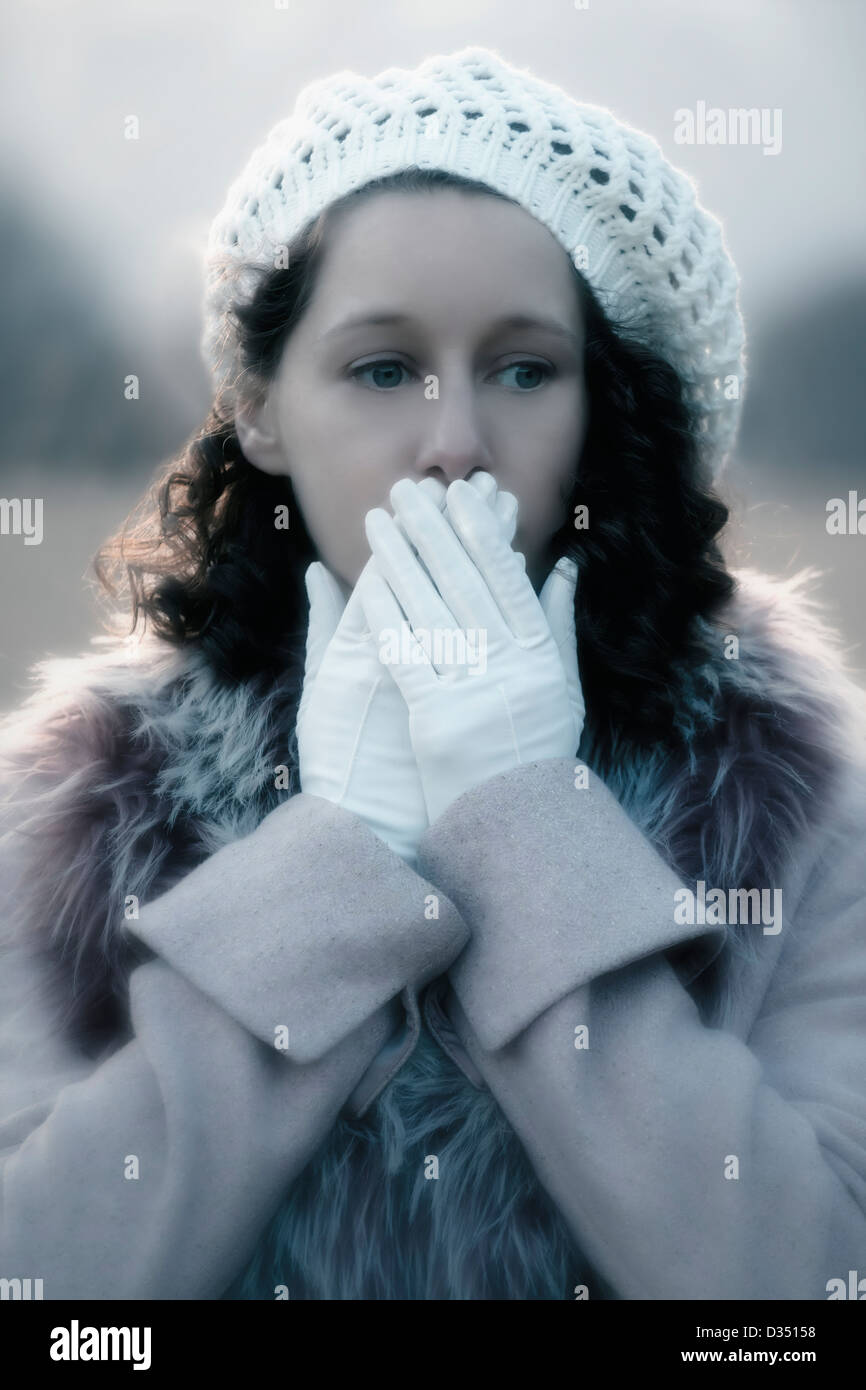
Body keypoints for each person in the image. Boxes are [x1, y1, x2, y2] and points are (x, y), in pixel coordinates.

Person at [1, 45, 865, 1302]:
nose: (454, 441)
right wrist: (336, 860)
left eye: (523, 369)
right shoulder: (81, 797)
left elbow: (803, 1294)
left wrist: (520, 822)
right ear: (262, 410)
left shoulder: (785, 788)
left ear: (599, 408)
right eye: (380, 368)